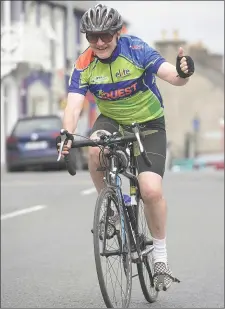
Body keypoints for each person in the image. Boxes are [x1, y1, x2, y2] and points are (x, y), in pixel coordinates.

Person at [57, 3, 195, 291]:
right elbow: (73, 105)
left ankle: (160, 259)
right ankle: (111, 210)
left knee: (150, 190)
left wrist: (184, 72)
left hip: (148, 123)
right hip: (112, 119)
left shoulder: (136, 49)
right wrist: (67, 134)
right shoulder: (84, 63)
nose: (99, 42)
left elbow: (172, 76)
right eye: (92, 37)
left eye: (105, 35)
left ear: (117, 33)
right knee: (94, 149)